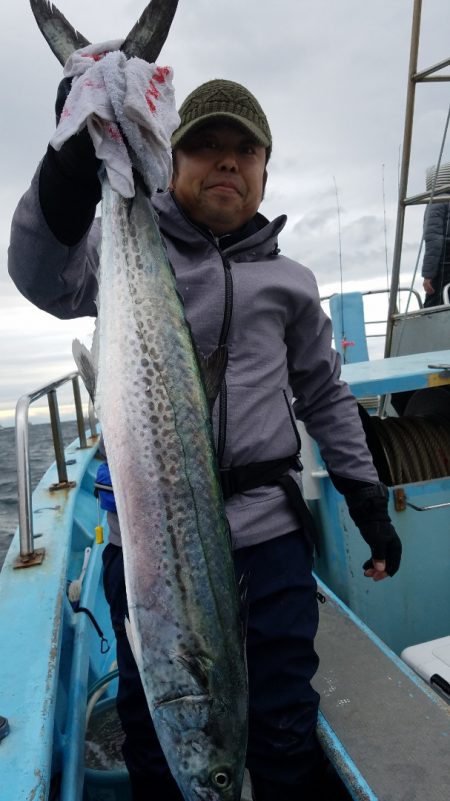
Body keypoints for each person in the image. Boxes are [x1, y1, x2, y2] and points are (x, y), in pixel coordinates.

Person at [8, 76, 402, 801]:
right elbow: (39, 273)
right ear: (168, 163)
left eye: (243, 151)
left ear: (263, 171)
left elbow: (324, 394)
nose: (226, 162)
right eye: (205, 147)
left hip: (268, 535)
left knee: (282, 713)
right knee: (151, 720)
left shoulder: (290, 281)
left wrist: (366, 497)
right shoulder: (122, 248)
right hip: (151, 548)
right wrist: (71, 160)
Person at [421, 163, 450, 307]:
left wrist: (428, 275)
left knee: (434, 307)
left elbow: (433, 241)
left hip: (443, 265)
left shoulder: (437, 203)